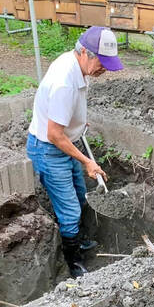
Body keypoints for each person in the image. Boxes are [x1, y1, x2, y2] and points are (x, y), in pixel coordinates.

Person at [26, 26, 124, 277]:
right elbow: (54, 134)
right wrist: (87, 162)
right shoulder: (64, 84)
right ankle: (74, 263)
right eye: (102, 62)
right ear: (85, 53)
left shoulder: (76, 65)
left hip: (63, 141)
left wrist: (78, 122)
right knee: (69, 210)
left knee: (80, 195)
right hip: (49, 149)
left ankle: (78, 240)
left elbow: (62, 116)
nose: (105, 69)